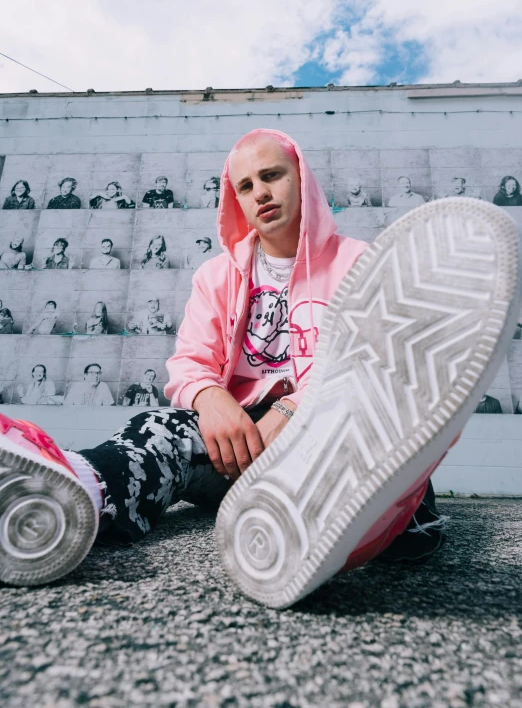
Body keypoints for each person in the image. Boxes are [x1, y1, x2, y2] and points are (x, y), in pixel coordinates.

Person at [0, 130, 519, 610]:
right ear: (236, 201)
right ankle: (74, 492)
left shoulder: (359, 261)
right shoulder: (217, 274)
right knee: (158, 430)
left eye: (272, 176)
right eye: (245, 186)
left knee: (386, 458)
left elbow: (371, 359)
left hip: (331, 429)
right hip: (239, 441)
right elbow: (188, 362)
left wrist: (296, 407)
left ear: (301, 178)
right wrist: (211, 398)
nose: (260, 194)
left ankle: (349, 532)